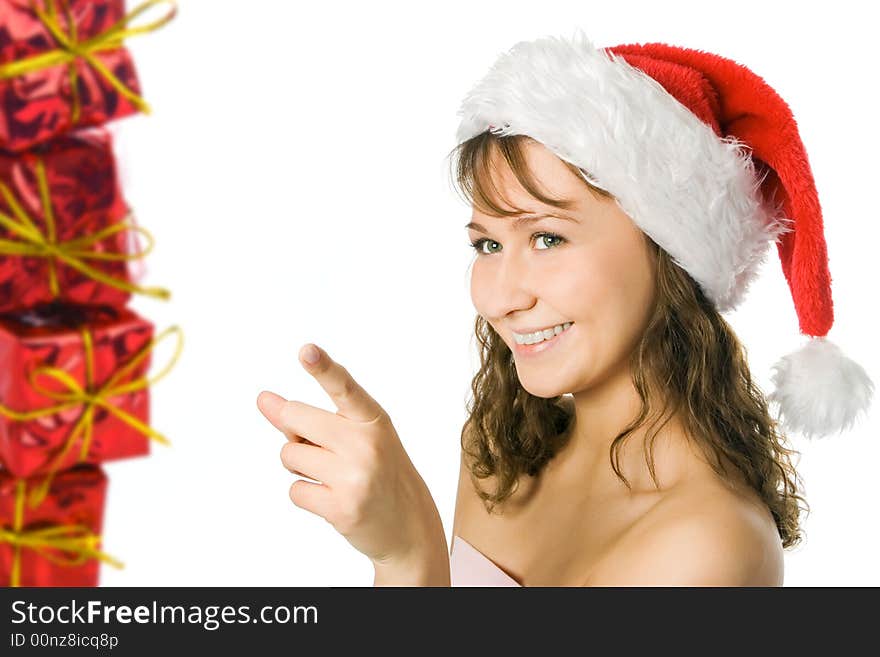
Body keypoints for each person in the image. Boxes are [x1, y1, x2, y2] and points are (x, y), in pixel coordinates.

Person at [257, 31, 874, 587]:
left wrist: (406, 558)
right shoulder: (499, 455)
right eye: (488, 244)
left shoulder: (708, 546)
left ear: (670, 252)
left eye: (547, 238)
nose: (500, 297)